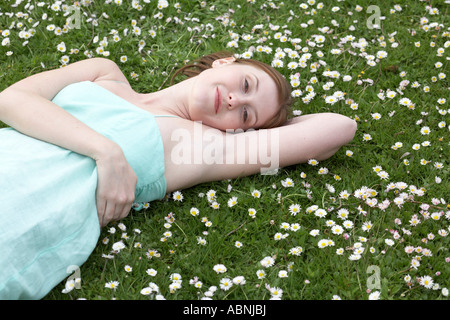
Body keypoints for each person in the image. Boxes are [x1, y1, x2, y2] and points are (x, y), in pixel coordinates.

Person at [0, 52, 357, 299]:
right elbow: (12, 99)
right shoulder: (102, 72)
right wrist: (104, 152)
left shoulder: (202, 146)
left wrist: (268, 124)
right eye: (245, 85)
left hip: (19, 223)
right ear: (224, 61)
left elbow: (339, 127)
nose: (235, 101)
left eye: (247, 115)